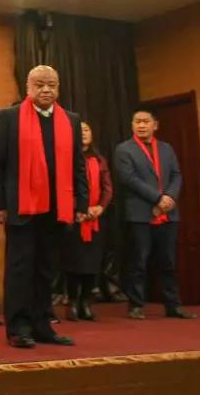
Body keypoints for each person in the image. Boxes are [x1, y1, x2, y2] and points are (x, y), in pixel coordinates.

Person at [0, 65, 86, 349]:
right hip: (20, 207)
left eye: (51, 85)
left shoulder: (71, 120)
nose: (46, 90)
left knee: (46, 269)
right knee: (20, 269)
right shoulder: (9, 117)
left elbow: (78, 165)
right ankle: (18, 328)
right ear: (28, 88)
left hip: (56, 207)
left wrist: (80, 202)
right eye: (40, 84)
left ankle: (43, 325)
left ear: (58, 88)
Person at [115, 109, 196, 320]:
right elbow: (129, 179)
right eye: (137, 121)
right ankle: (136, 305)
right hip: (140, 213)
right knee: (138, 261)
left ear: (155, 125)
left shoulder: (166, 148)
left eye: (145, 121)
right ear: (132, 125)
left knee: (168, 261)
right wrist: (158, 198)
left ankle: (173, 305)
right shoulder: (124, 149)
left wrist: (169, 197)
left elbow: (176, 175)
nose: (141, 125)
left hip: (168, 213)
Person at [59, 121, 113, 321]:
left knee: (92, 263)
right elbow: (64, 187)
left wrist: (100, 207)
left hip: (96, 219)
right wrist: (80, 208)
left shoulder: (99, 159)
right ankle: (73, 302)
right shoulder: (66, 158)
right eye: (79, 130)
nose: (83, 133)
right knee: (74, 263)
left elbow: (107, 187)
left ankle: (86, 302)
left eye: (87, 129)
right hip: (74, 218)